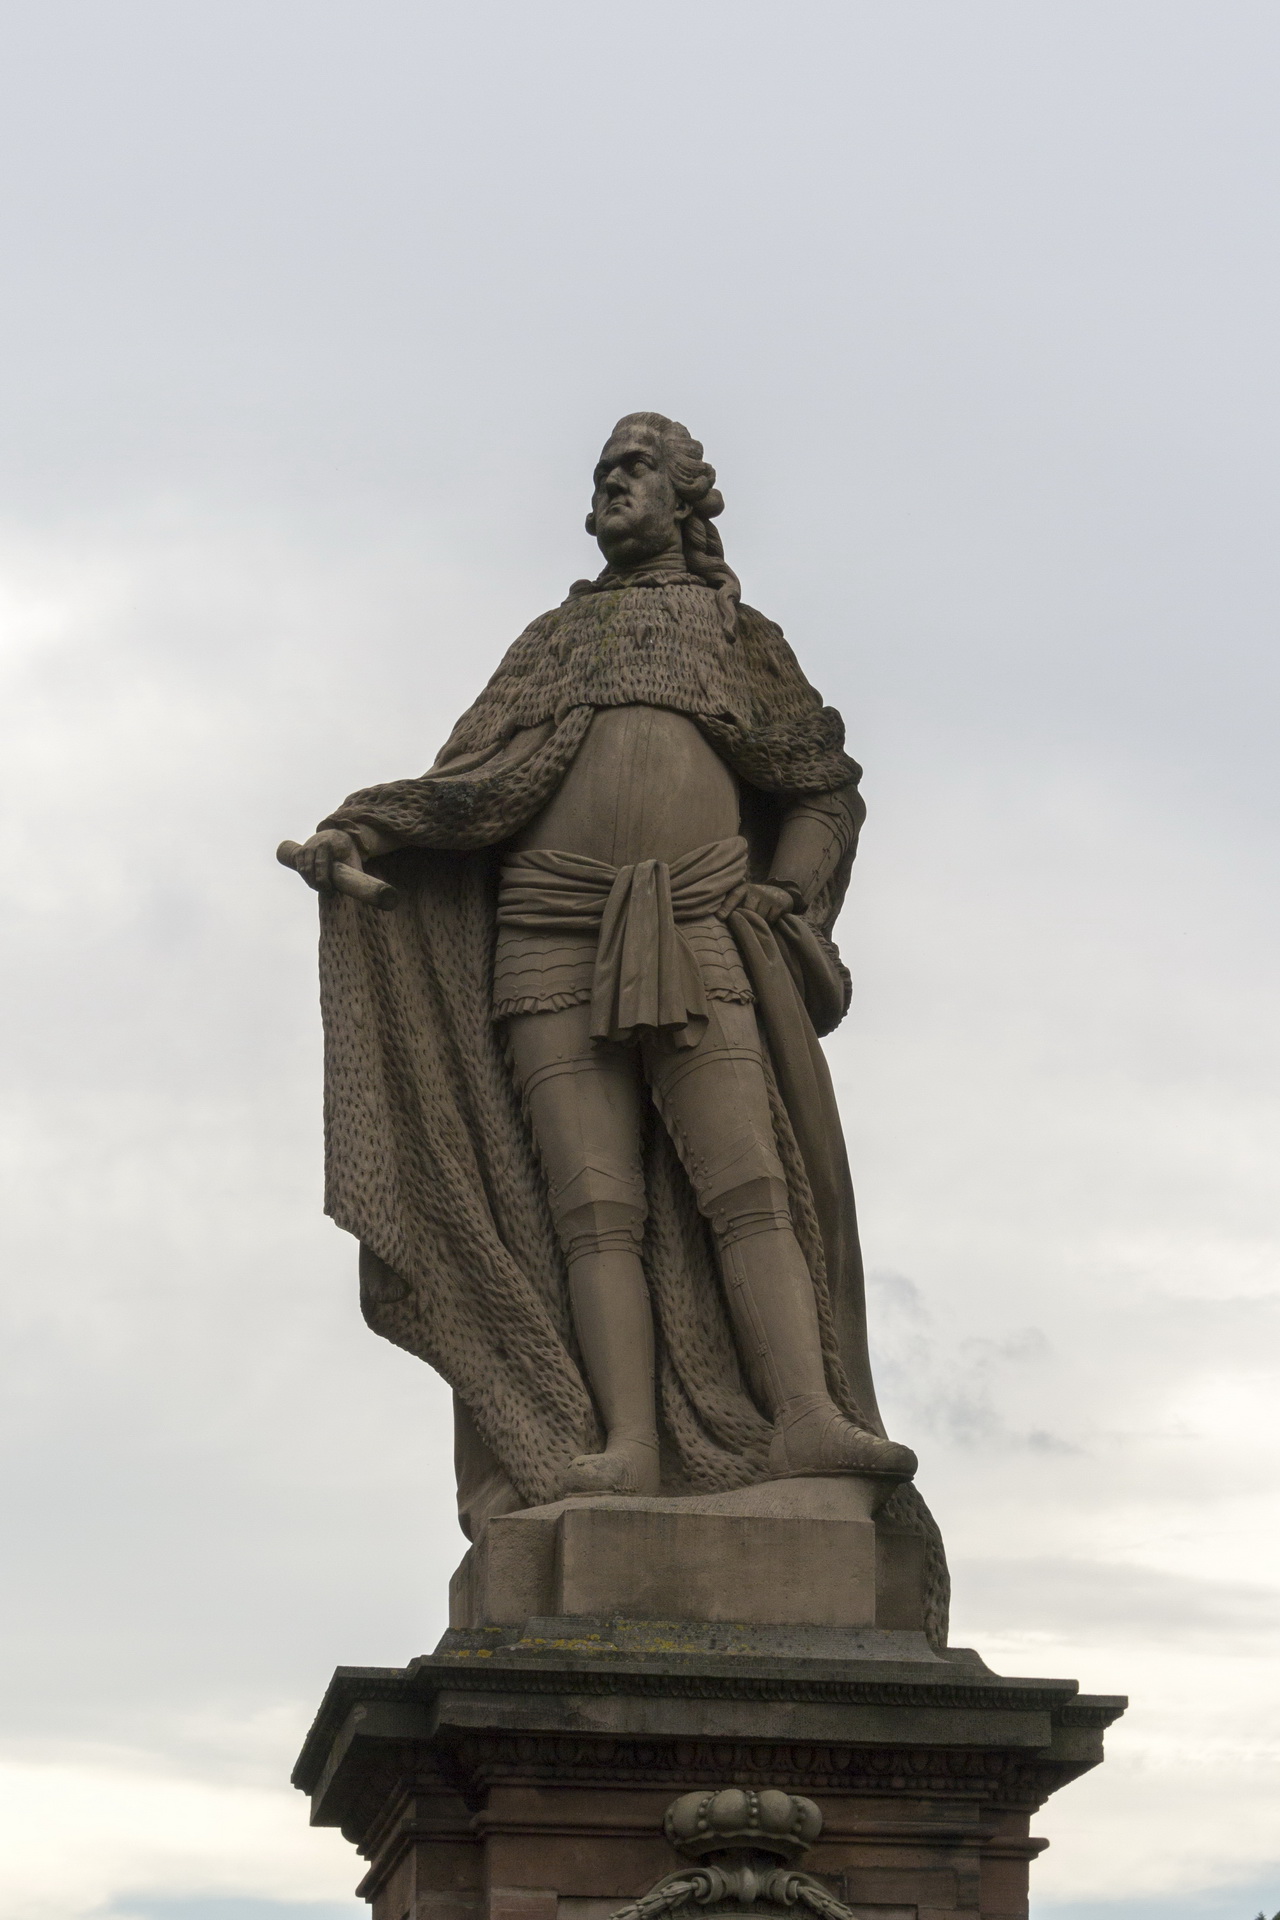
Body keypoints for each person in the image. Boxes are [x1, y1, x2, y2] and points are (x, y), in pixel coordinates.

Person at [291, 413, 928, 1547]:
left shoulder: (739, 638)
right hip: (548, 935)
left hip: (697, 923)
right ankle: (624, 1441)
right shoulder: (551, 642)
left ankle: (805, 1418)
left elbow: (821, 788)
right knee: (592, 1211)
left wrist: (786, 891)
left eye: (635, 467)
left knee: (749, 1184)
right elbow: (471, 783)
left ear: (685, 496)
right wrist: (364, 828)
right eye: (602, 472)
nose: (612, 484)